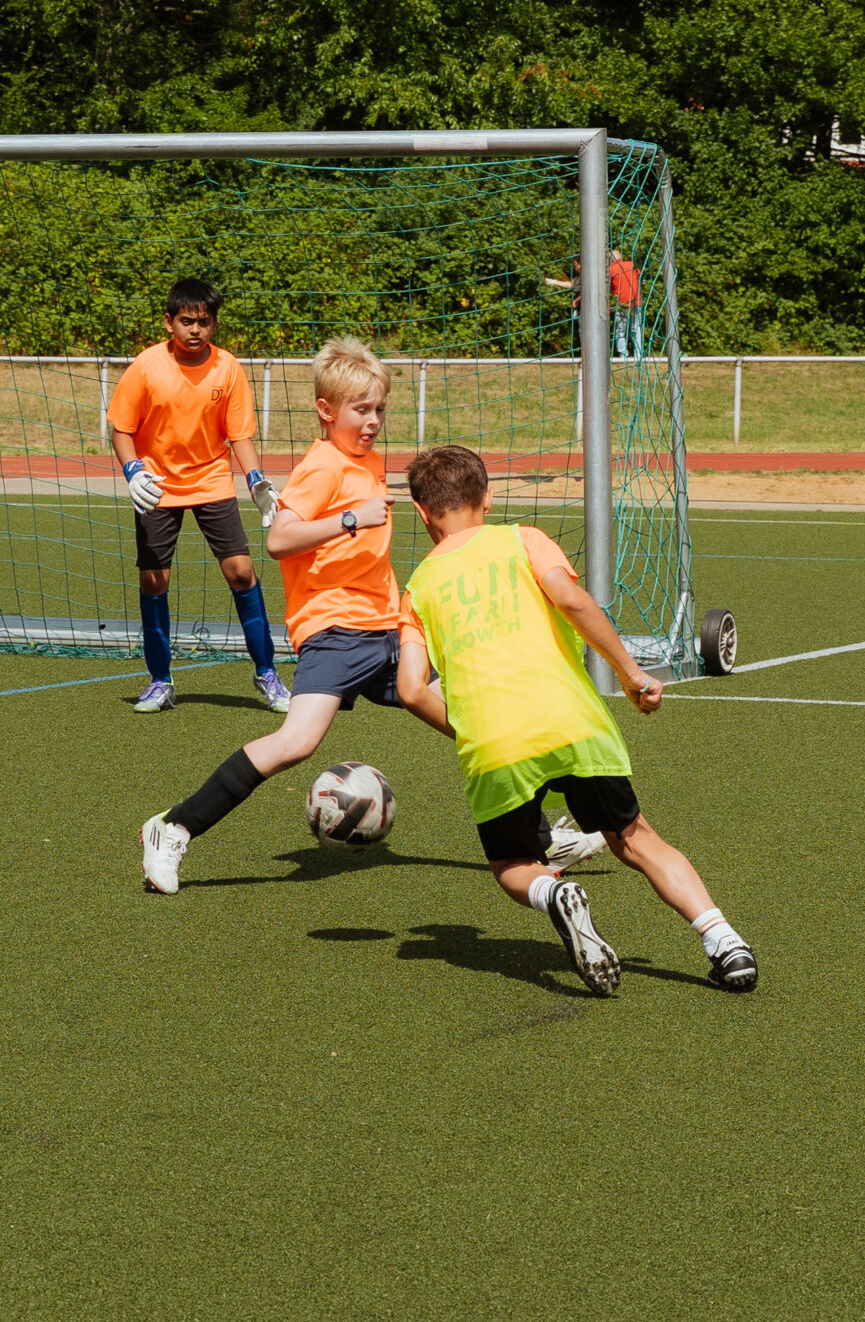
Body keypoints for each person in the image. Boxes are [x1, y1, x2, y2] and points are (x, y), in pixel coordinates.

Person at [136, 339, 606, 891]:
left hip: (387, 629)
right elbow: (280, 539)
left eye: (379, 409)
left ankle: (542, 837)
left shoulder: (369, 459)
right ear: (326, 409)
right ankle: (173, 827)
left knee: (475, 722)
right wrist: (350, 519)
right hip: (334, 629)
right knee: (296, 742)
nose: (373, 421)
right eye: (361, 410)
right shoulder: (322, 466)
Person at [394, 442, 758, 994]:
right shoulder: (524, 539)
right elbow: (574, 602)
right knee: (635, 838)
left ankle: (554, 891)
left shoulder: (419, 587)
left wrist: (470, 731)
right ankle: (724, 942)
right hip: (572, 722)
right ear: (487, 498)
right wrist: (632, 674)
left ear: (421, 512)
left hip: (495, 744)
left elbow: (410, 689)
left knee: (512, 863)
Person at [108, 279, 288, 714]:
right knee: (154, 581)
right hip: (157, 484)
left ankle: (267, 673)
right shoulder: (146, 366)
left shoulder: (228, 368)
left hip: (211, 480)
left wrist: (256, 481)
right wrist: (133, 470)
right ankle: (160, 681)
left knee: (241, 572)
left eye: (203, 322)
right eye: (186, 321)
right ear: (169, 322)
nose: (195, 329)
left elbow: (239, 435)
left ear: (214, 324)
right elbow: (121, 430)